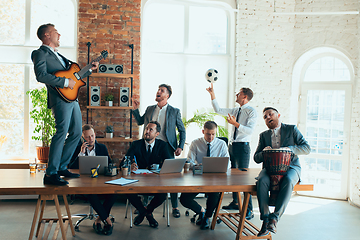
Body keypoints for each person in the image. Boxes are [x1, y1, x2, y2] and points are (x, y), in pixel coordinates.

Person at [31, 23, 99, 185]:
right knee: (61, 132)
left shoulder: (59, 56)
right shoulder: (39, 53)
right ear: (47, 35)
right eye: (56, 32)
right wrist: (63, 82)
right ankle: (51, 173)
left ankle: (61, 166)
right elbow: (41, 76)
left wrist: (89, 70)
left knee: (76, 133)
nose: (59, 35)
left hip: (72, 99)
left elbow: (73, 77)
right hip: (60, 99)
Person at [254, 107, 310, 236]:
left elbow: (306, 148)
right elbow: (256, 158)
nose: (268, 117)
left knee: (289, 180)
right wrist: (264, 152)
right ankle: (266, 218)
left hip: (291, 167)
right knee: (261, 181)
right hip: (269, 169)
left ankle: (275, 218)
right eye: (265, 117)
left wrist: (290, 149)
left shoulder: (291, 129)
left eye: (270, 114)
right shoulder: (263, 135)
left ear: (278, 115)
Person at [132, 84, 186, 218]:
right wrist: (135, 110)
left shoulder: (174, 111)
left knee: (172, 176)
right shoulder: (150, 109)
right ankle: (144, 204)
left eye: (162, 91)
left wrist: (180, 146)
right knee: (146, 172)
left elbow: (182, 130)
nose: (158, 92)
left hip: (166, 146)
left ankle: (174, 206)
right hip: (150, 145)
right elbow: (140, 121)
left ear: (167, 96)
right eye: (158, 90)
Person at [206, 83, 258, 220]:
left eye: (239, 93)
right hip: (232, 146)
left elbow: (250, 131)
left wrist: (235, 124)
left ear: (245, 96)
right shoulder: (236, 110)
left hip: (243, 147)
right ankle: (236, 202)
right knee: (232, 176)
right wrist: (212, 94)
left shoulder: (251, 111)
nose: (237, 95)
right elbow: (218, 110)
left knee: (244, 180)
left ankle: (249, 210)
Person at [180, 121, 229, 230]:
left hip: (215, 178)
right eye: (208, 134)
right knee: (184, 199)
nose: (211, 137)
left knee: (215, 193)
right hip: (199, 177)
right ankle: (201, 211)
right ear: (203, 131)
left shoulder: (221, 144)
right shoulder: (195, 143)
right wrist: (198, 166)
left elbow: (228, 164)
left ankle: (207, 217)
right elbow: (190, 161)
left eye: (213, 134)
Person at [69, 124, 116, 235]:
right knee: (91, 193)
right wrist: (81, 153)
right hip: (83, 184)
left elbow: (109, 165)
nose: (90, 139)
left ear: (95, 135)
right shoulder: (77, 149)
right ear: (82, 138)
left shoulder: (102, 148)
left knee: (114, 192)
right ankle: (108, 221)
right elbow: (71, 168)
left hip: (100, 182)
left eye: (92, 136)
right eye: (87, 137)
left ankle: (99, 219)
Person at [125, 121, 172, 228]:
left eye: (151, 130)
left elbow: (169, 163)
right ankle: (147, 214)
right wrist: (130, 164)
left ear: (157, 133)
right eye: (146, 129)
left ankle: (145, 212)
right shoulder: (136, 144)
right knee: (128, 191)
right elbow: (124, 161)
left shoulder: (163, 145)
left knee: (162, 194)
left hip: (155, 180)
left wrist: (161, 167)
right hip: (138, 180)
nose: (147, 131)